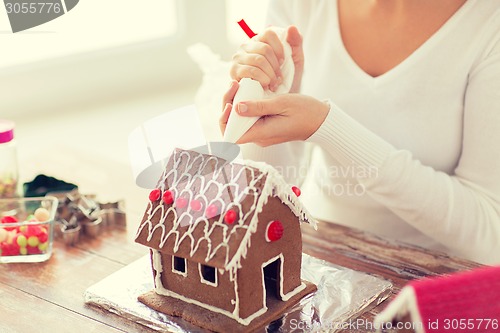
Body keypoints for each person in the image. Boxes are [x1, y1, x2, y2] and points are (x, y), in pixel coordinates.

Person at [219, 0, 500, 265]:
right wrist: (262, 104)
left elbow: (489, 237)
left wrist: (328, 127)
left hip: (431, 281)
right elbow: (273, 194)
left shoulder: (488, 24)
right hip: (318, 259)